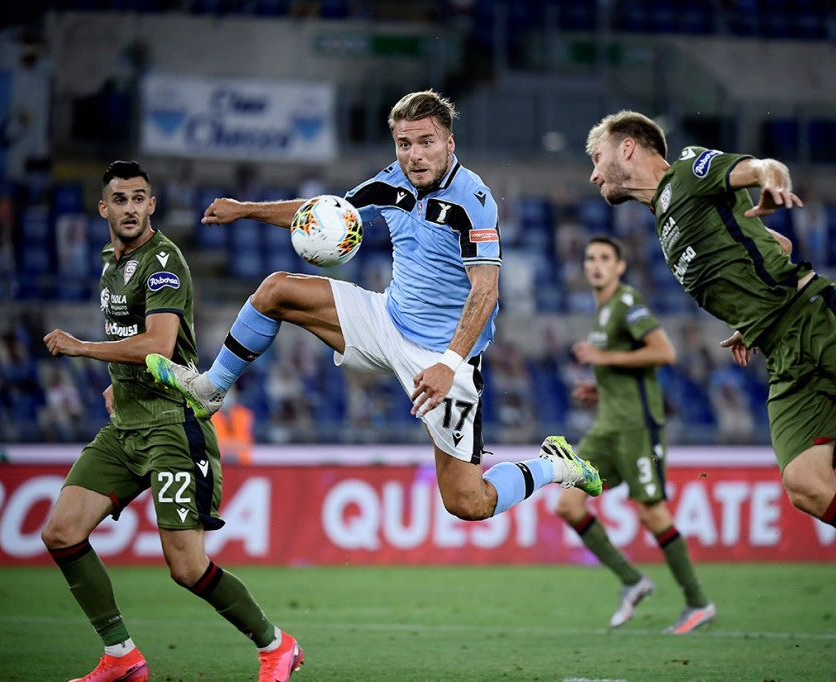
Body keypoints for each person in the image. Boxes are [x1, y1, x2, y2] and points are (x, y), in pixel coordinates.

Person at [584, 111, 836, 643]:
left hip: (816, 321)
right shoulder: (665, 217)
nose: (594, 175)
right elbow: (779, 247)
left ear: (628, 148)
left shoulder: (686, 172)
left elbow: (763, 167)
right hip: (781, 349)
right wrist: (751, 322)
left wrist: (772, 182)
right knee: (806, 485)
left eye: (597, 159)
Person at [145, 90, 601, 525]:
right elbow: (327, 213)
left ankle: (554, 465)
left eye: (426, 142)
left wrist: (448, 364)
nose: (415, 154)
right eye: (405, 143)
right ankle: (210, 389)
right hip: (387, 320)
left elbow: (486, 292)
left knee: (468, 502)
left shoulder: (473, 201)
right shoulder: (393, 181)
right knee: (276, 290)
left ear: (449, 142)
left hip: (443, 358)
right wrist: (247, 210)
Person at [41, 161, 302, 682]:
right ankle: (121, 656)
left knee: (185, 567)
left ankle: (277, 645)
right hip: (126, 426)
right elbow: (135, 335)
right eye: (121, 199)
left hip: (172, 426)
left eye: (140, 198)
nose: (131, 208)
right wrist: (118, 379)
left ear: (152, 205)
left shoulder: (164, 261)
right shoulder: (109, 262)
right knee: (61, 532)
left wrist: (84, 349)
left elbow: (161, 345)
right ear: (104, 208)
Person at [557, 234, 714, 633]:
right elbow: (625, 367)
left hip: (636, 428)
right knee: (568, 505)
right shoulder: (602, 310)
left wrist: (603, 359)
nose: (595, 264)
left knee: (650, 511)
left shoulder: (626, 302)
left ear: (619, 267)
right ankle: (632, 581)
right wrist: (601, 385)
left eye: (605, 258)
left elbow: (664, 352)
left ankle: (698, 603)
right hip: (606, 427)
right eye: (590, 258)